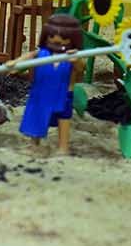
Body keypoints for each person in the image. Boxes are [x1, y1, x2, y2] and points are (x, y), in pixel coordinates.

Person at [7, 13, 85, 155]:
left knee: (63, 120)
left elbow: (81, 68)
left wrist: (76, 60)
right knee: (36, 117)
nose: (57, 41)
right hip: (41, 93)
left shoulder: (72, 57)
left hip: (63, 94)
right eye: (52, 36)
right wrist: (15, 63)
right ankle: (34, 144)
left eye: (64, 38)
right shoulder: (43, 53)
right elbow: (29, 56)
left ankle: (63, 147)